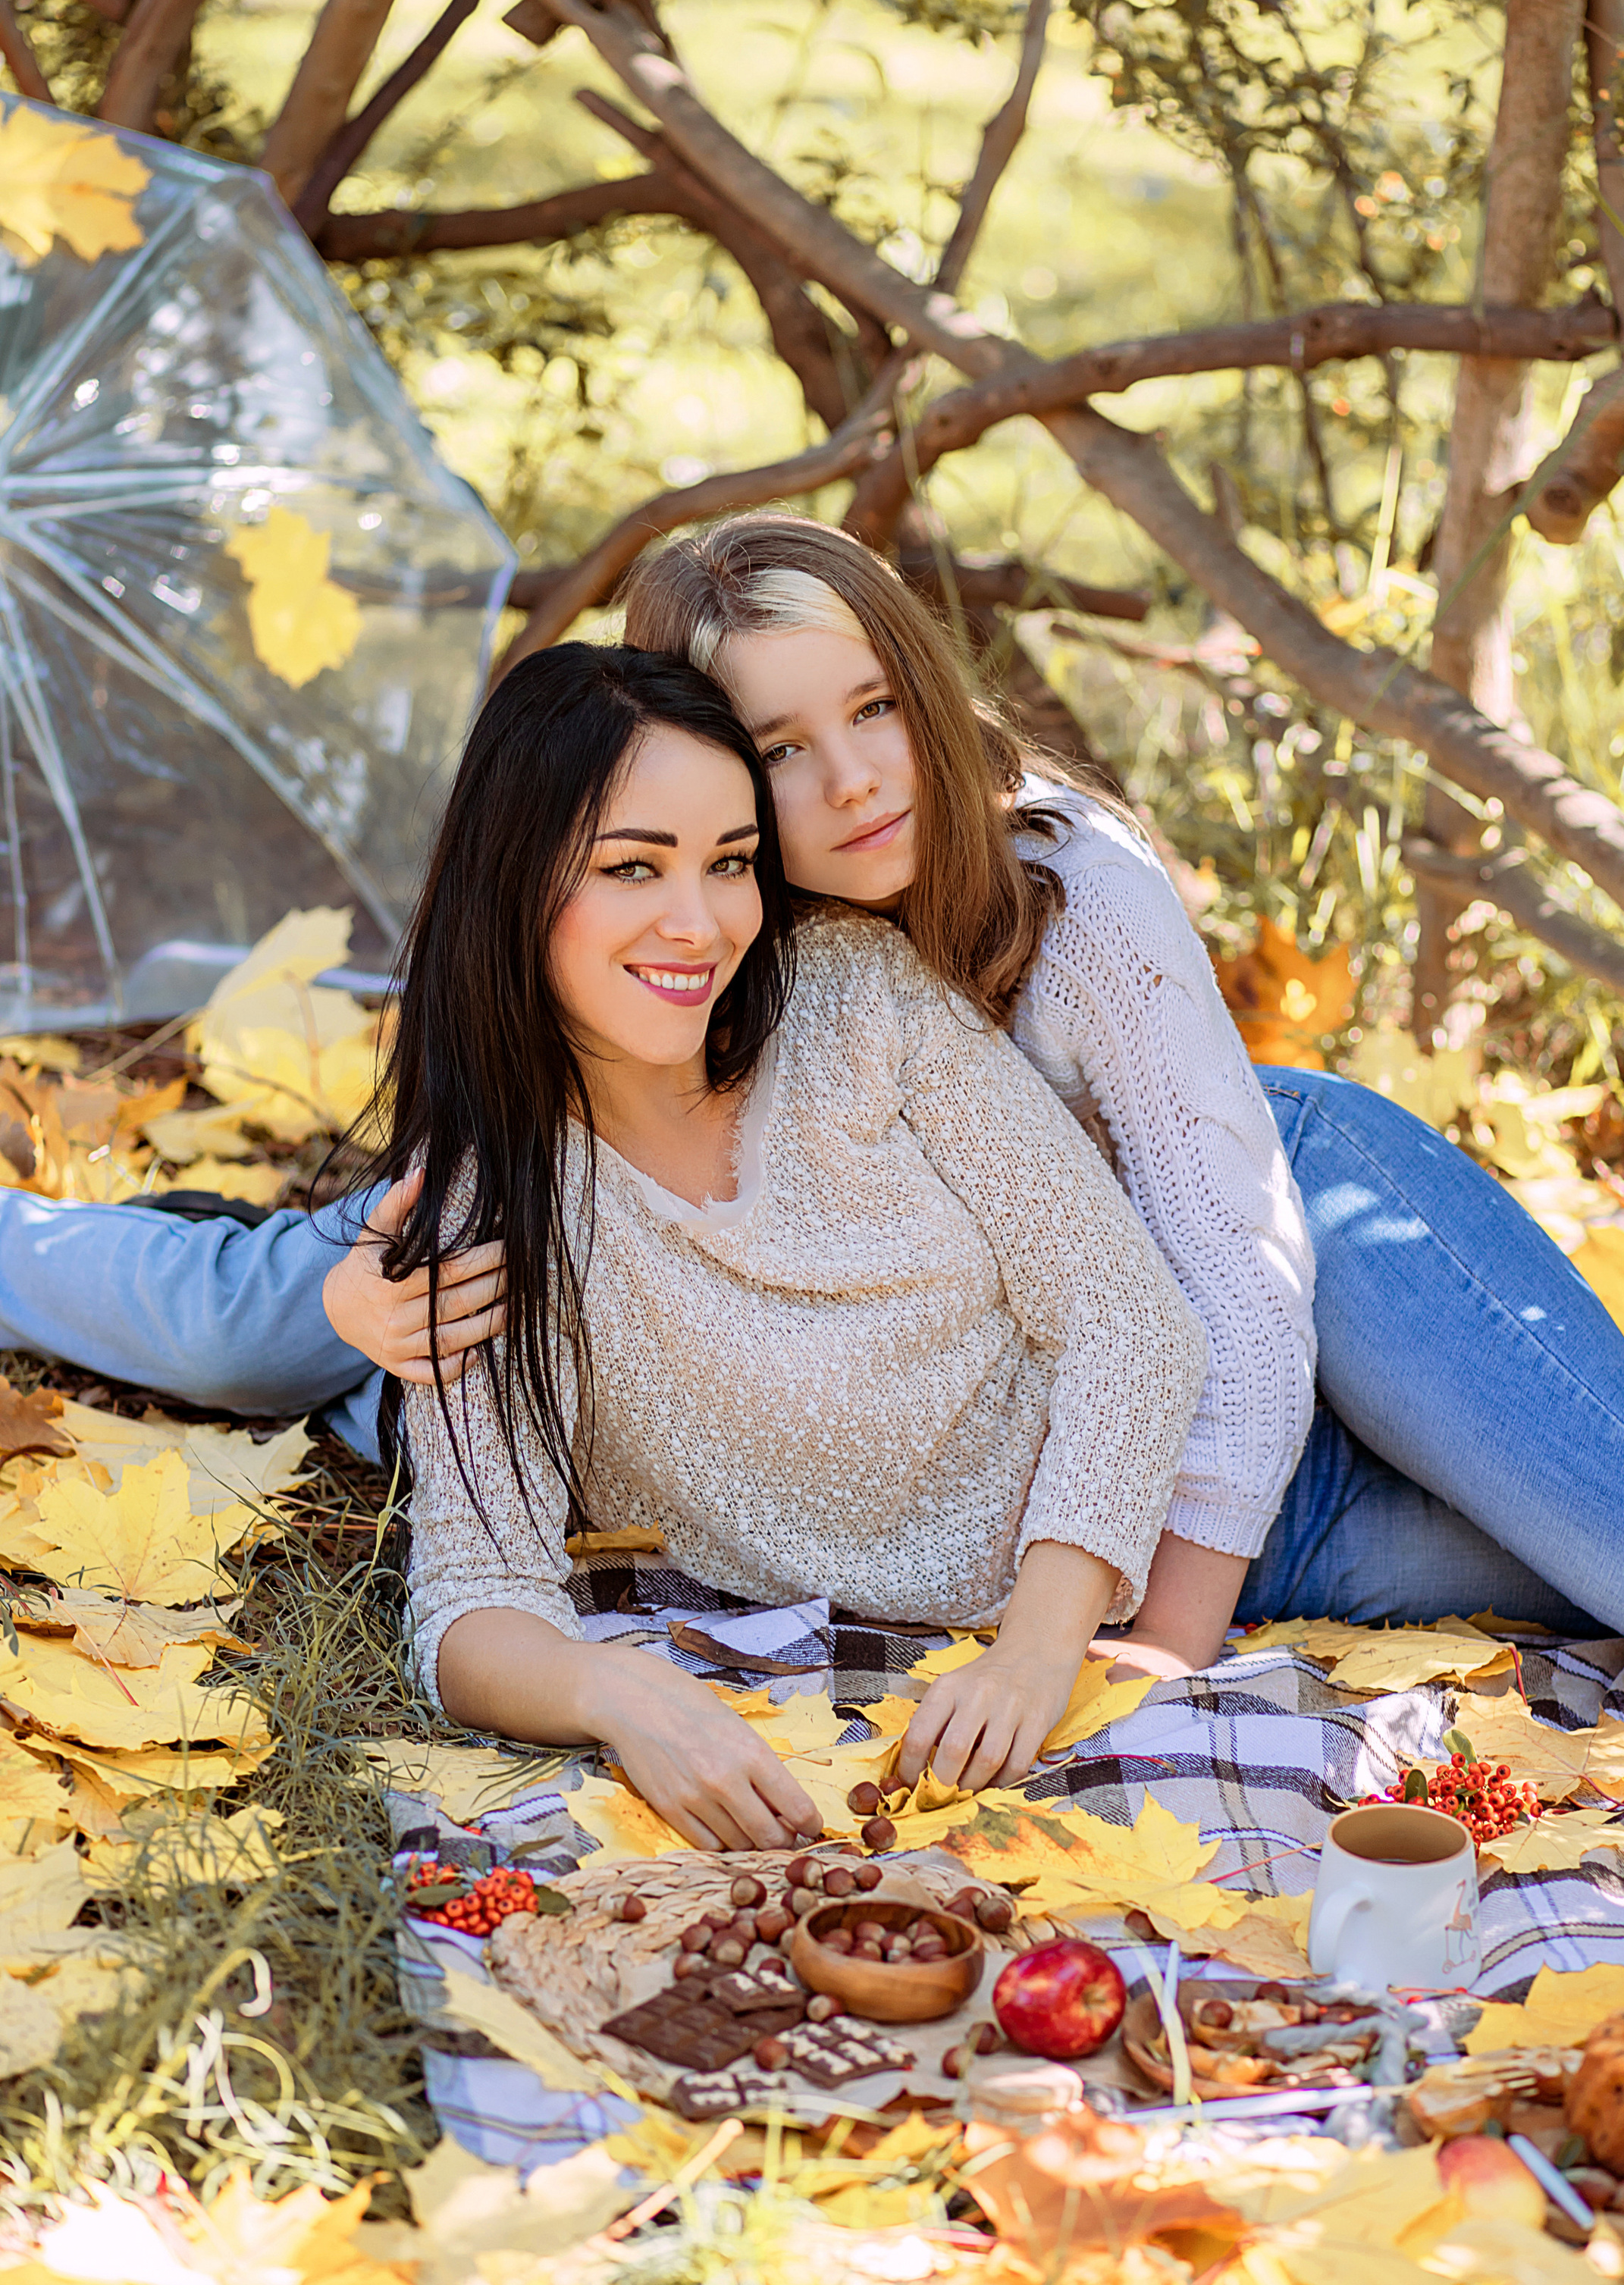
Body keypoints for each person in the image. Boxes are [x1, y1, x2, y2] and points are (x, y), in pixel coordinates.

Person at [4, 512, 1624, 1654]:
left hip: (1274, 1281)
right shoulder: (696, 931)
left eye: (874, 709)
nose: (853, 782)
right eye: (777, 747)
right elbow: (513, 1117)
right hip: (1010, 1402)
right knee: (287, 1309)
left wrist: (1149, 1649)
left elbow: (1227, 1295)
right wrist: (367, 1301)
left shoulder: (1069, 892)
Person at [373, 641, 1205, 1845]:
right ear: (514, 882)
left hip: (1230, 1494)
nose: (699, 923)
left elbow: (1127, 1320)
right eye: (632, 868)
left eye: (730, 863)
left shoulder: (849, 993)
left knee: (1589, 1543)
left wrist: (1033, 1661)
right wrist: (620, 1690)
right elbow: (470, 1599)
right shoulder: (494, 1207)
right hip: (1149, 1576)